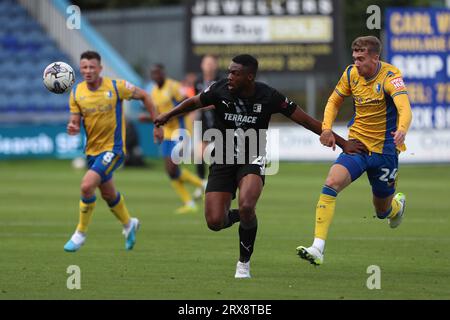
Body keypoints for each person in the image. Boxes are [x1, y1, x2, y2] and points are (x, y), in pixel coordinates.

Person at [154, 54, 367, 278]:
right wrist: (167, 115)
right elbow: (194, 101)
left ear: (249, 77)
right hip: (223, 157)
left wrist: (343, 143)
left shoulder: (268, 95)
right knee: (215, 222)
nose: (229, 77)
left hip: (252, 155)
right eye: (228, 71)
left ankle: (243, 263)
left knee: (247, 205)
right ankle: (243, 216)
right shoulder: (219, 89)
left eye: (235, 73)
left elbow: (305, 119)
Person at [296, 36, 413, 266]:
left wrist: (402, 129)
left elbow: (404, 108)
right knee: (331, 183)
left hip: (385, 152)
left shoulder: (391, 77)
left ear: (375, 58)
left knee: (382, 210)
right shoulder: (350, 74)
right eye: (354, 58)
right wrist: (327, 128)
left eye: (361, 59)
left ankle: (396, 207)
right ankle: (318, 248)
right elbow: (333, 101)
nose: (357, 63)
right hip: (357, 145)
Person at [64, 50, 161, 252]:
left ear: (100, 69)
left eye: (92, 67)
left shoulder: (116, 87)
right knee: (108, 194)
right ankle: (129, 224)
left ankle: (80, 233)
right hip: (92, 152)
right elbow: (74, 120)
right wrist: (72, 126)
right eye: (84, 67)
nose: (88, 71)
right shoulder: (76, 93)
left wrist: (157, 124)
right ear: (80, 69)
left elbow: (145, 95)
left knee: (86, 185)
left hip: (113, 149)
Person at [140, 64, 204, 214]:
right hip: (167, 132)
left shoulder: (174, 86)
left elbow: (187, 106)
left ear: (163, 73)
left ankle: (202, 184)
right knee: (170, 171)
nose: (156, 76)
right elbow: (160, 114)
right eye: (153, 74)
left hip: (180, 131)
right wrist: (151, 120)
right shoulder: (153, 91)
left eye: (158, 73)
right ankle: (190, 200)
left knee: (171, 167)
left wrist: (170, 117)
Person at [192, 54, 221, 199]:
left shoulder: (221, 81)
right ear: (202, 66)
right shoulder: (198, 81)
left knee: (220, 156)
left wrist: (205, 105)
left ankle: (218, 185)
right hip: (204, 123)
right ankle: (201, 184)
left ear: (215, 65)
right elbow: (192, 100)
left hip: (220, 122)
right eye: (206, 63)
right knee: (199, 155)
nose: (208, 66)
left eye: (211, 63)